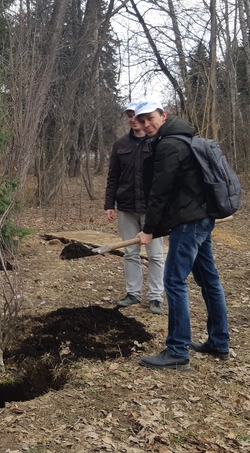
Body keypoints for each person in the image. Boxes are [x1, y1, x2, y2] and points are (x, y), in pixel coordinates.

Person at [132, 100, 230, 371]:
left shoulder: (169, 145)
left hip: (189, 224)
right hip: (201, 219)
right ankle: (219, 342)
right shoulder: (186, 138)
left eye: (150, 118)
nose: (146, 124)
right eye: (141, 120)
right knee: (209, 280)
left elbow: (160, 192)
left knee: (174, 281)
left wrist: (149, 229)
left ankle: (177, 350)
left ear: (164, 115)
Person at [104, 102, 166, 314]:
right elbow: (113, 176)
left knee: (155, 255)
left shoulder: (157, 142)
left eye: (136, 116)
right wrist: (108, 204)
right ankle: (133, 293)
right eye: (129, 115)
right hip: (126, 207)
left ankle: (156, 297)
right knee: (130, 252)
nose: (133, 119)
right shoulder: (120, 144)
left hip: (152, 209)